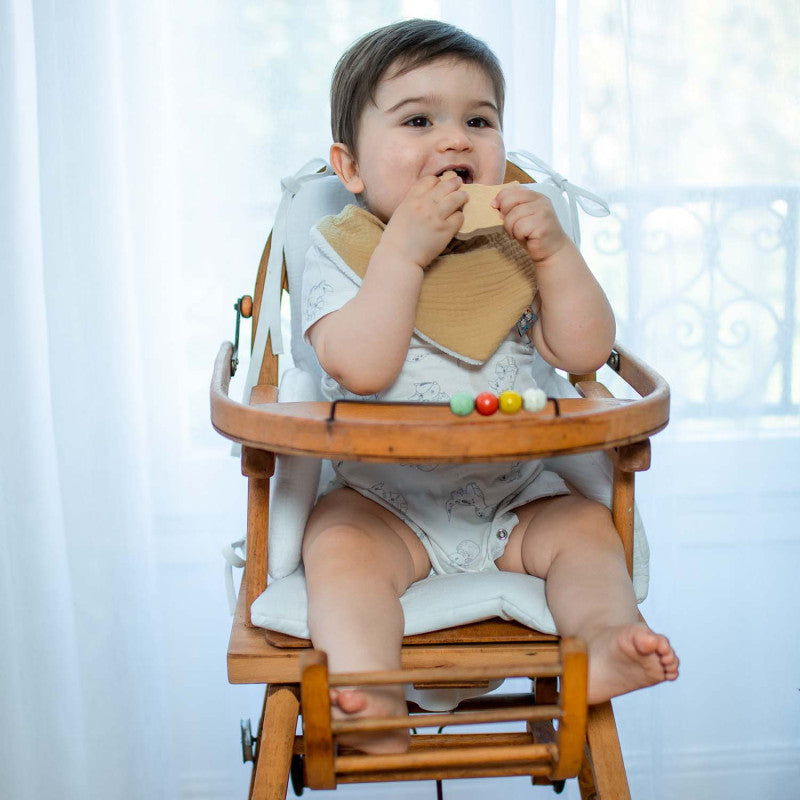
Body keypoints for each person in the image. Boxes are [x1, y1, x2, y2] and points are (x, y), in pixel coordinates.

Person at [300, 18, 678, 753]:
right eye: (418, 119)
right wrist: (403, 256)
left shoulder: (516, 244)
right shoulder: (342, 251)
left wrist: (557, 254)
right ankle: (368, 693)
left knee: (586, 532)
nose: (455, 139)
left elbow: (586, 350)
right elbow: (361, 366)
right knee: (338, 548)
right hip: (386, 502)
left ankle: (603, 641)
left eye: (480, 120)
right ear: (350, 167)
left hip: (516, 495)